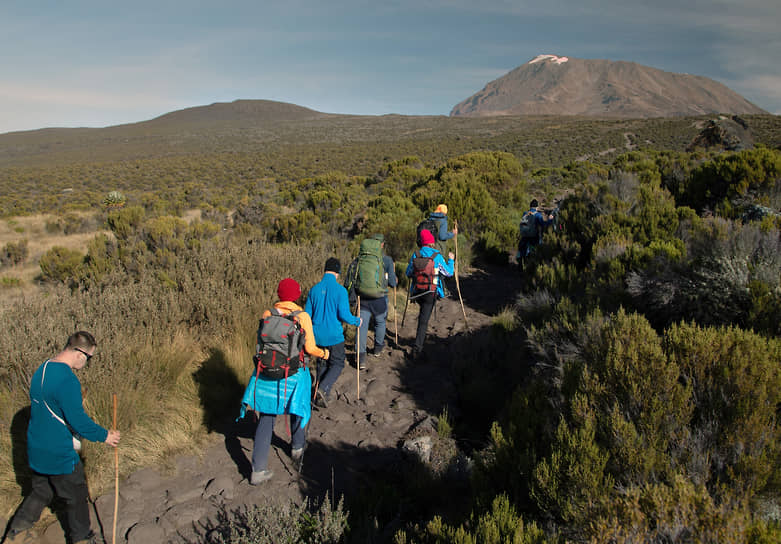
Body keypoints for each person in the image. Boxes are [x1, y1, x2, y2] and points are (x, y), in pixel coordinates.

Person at [5, 331, 121, 544]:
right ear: (79, 353)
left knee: (42, 491)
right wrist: (105, 436)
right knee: (76, 496)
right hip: (60, 453)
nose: (88, 362)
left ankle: (16, 532)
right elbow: (78, 421)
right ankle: (82, 538)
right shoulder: (68, 380)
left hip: (37, 448)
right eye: (89, 357)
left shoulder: (43, 368)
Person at [239, 278, 328, 484]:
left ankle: (257, 470)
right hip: (294, 373)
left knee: (267, 415)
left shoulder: (267, 314)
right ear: (297, 295)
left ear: (279, 295)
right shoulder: (302, 316)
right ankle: (297, 449)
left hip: (268, 372)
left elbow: (260, 344)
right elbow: (310, 348)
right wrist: (324, 354)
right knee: (298, 408)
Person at [305, 257, 361, 408]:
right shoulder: (340, 291)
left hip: (316, 336)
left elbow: (306, 315)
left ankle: (318, 391)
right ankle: (323, 389)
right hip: (334, 336)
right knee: (337, 364)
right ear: (337, 273)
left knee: (321, 363)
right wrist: (357, 321)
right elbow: (344, 315)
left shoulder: (314, 289)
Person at [346, 234, 398, 367]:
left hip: (363, 298)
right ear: (382, 244)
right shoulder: (386, 260)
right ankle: (377, 349)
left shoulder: (359, 260)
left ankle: (361, 358)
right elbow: (392, 283)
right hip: (380, 298)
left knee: (362, 325)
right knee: (380, 322)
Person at [405, 229, 454, 361]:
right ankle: (417, 350)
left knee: (422, 317)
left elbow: (408, 272)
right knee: (423, 321)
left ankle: (418, 345)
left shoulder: (416, 254)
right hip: (430, 292)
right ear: (431, 241)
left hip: (417, 291)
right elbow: (449, 273)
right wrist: (451, 260)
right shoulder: (436, 256)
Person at [518, 199, 554, 269]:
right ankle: (533, 266)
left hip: (524, 235)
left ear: (530, 206)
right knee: (534, 250)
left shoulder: (525, 213)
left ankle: (520, 264)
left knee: (523, 249)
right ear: (537, 207)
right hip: (534, 237)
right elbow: (544, 224)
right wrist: (550, 219)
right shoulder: (537, 215)